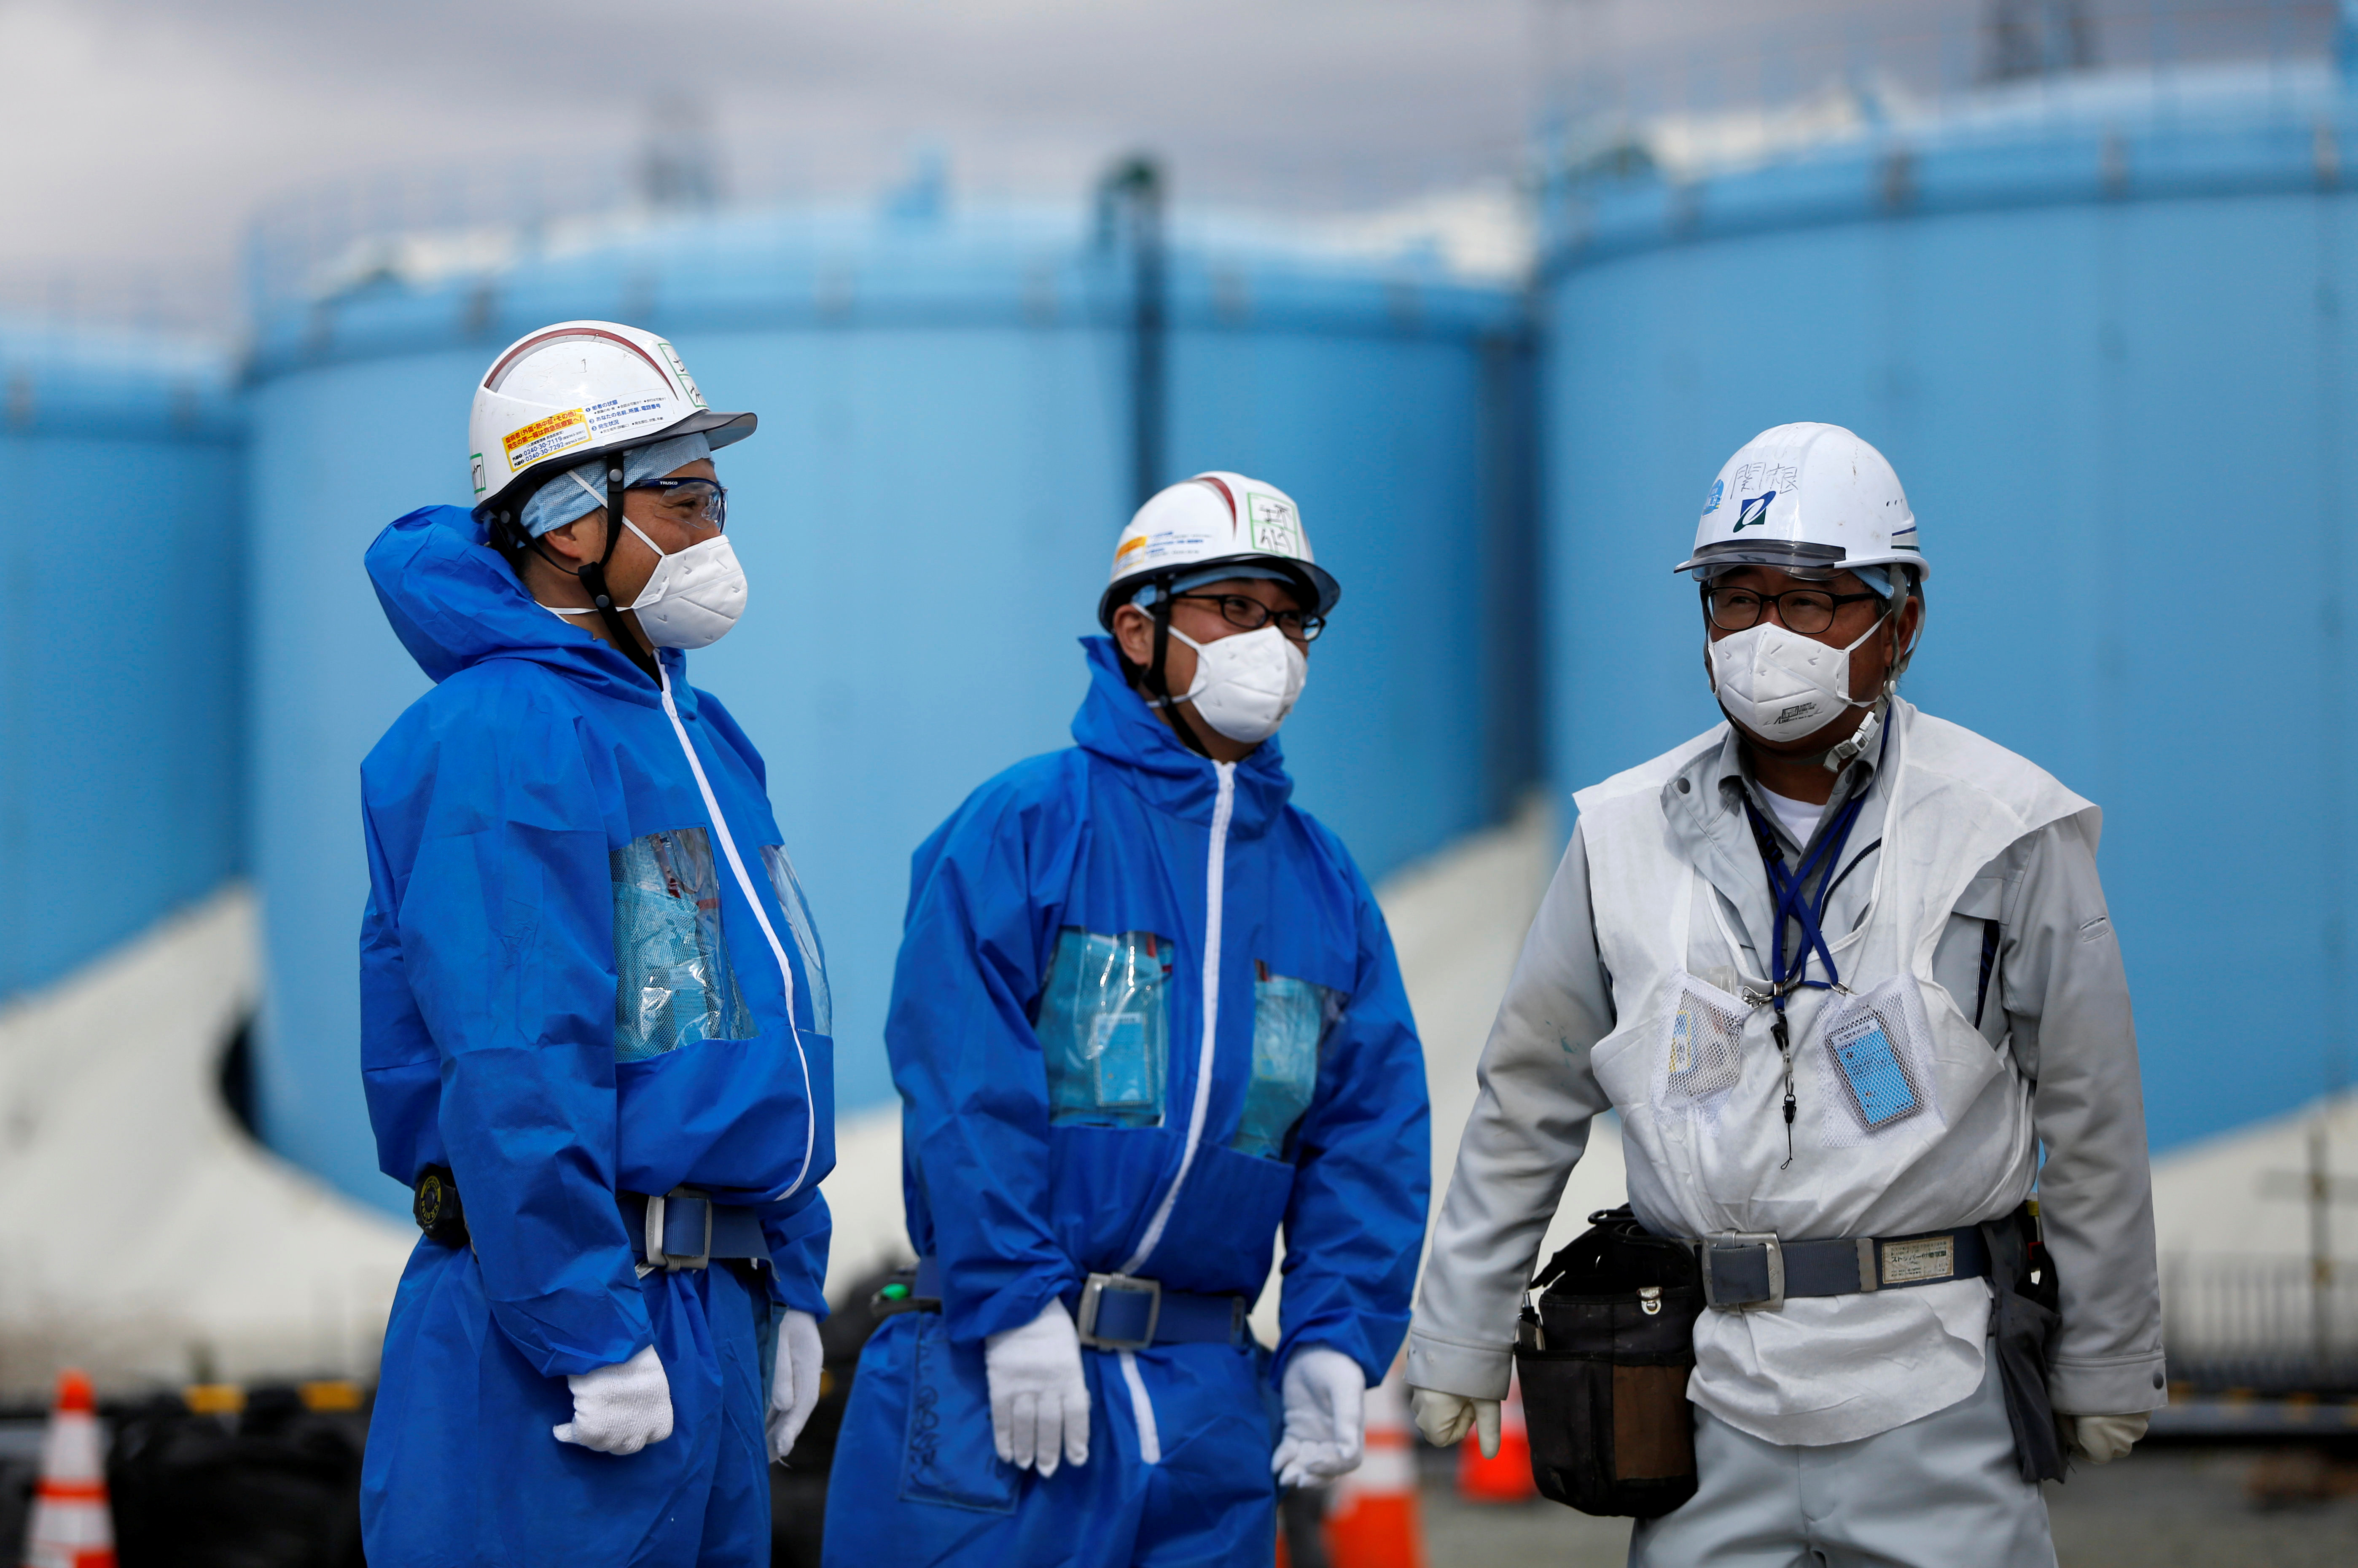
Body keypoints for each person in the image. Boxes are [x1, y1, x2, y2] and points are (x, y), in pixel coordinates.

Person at [1407, 423, 2164, 1564]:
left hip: (1938, 1384)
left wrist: (2109, 1353)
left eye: (1808, 600)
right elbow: (1526, 1098)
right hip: (1701, 1399)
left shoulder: (2007, 830)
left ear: (1899, 621)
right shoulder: (1620, 835)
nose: (1764, 634)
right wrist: (1460, 1330)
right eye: (1733, 597)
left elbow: (2091, 1113)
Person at [821, 472, 1430, 1565]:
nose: (1271, 644)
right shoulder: (1026, 825)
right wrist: (1012, 1306)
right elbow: (964, 1080)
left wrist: (1337, 1335)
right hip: (996, 1379)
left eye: (1292, 619)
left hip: (1205, 1410)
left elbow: (1368, 1134)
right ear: (1137, 631)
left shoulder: (1323, 886)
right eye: (1232, 609)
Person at [357, 320, 836, 1566]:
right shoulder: (506, 731)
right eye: (681, 498)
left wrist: (787, 1276)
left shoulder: (699, 735)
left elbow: (761, 1028)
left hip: (705, 1308)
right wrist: (589, 1330)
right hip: (566, 1327)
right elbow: (520, 1056)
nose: (712, 535)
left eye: (715, 495)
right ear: (570, 522)